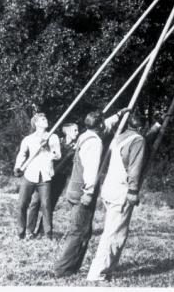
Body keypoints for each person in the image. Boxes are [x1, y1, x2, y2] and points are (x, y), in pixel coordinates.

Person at [54, 107, 130, 278]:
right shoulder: (94, 142)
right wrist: (88, 192)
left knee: (81, 230)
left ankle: (70, 267)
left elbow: (106, 125)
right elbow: (91, 169)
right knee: (79, 231)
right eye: (102, 124)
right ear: (100, 125)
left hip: (73, 189)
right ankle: (64, 269)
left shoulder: (85, 135)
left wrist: (119, 114)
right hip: (83, 192)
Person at [86, 112, 147, 282]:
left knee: (110, 230)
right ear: (141, 127)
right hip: (122, 191)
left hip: (109, 189)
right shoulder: (137, 141)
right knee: (115, 234)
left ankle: (100, 269)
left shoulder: (119, 137)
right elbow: (134, 168)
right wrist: (133, 191)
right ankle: (99, 273)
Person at [27, 121, 79, 238]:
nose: (77, 133)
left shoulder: (76, 147)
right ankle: (29, 230)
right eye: (75, 130)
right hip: (46, 175)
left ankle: (42, 231)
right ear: (67, 131)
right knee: (35, 202)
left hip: (60, 178)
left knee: (49, 204)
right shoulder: (56, 141)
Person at [13, 112, 61, 239]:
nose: (46, 120)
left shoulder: (53, 137)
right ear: (36, 124)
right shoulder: (28, 139)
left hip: (45, 176)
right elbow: (22, 154)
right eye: (43, 119)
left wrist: (48, 148)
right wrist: (17, 166)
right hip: (30, 175)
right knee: (22, 204)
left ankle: (48, 234)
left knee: (46, 205)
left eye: (46, 118)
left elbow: (58, 155)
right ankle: (21, 232)